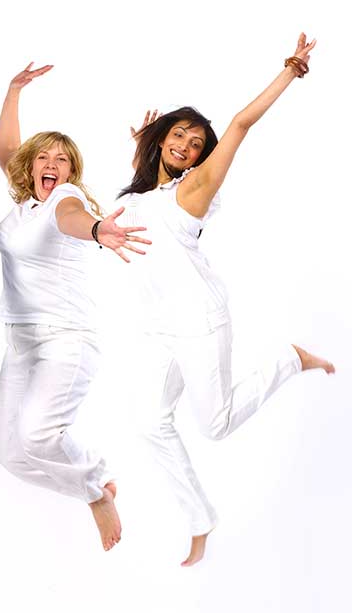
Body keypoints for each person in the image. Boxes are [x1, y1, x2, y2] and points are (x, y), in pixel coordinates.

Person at [118, 34, 334, 566]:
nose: (185, 145)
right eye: (178, 134)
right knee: (149, 423)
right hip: (161, 326)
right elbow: (145, 190)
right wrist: (141, 145)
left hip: (199, 320)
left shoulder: (193, 190)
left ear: (202, 157)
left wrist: (290, 70)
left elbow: (239, 124)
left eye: (195, 143)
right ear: (161, 139)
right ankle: (200, 521)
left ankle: (290, 359)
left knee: (214, 426)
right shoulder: (144, 195)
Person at [0, 63, 149, 551]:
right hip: (21, 343)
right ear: (30, 168)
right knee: (9, 451)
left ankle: (96, 488)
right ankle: (92, 488)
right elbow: (6, 151)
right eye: (43, 157)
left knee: (38, 435)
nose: (52, 164)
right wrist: (13, 90)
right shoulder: (25, 206)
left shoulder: (66, 198)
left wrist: (98, 229)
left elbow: (74, 218)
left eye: (62, 159)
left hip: (66, 340)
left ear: (71, 173)